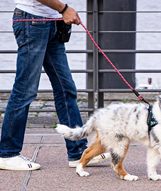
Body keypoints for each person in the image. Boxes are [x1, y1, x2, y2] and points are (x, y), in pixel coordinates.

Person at [0, 0, 110, 170]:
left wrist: (61, 12)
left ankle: (77, 153)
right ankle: (7, 153)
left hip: (51, 22)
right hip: (32, 21)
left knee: (66, 89)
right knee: (25, 90)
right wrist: (64, 9)